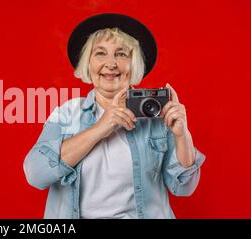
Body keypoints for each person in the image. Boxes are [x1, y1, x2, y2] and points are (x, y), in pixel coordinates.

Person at [23, 13, 206, 219]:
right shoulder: (66, 113)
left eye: (121, 54)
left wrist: (182, 135)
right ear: (88, 64)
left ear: (133, 64)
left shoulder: (155, 118)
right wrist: (100, 128)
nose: (111, 64)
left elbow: (184, 188)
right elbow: (35, 174)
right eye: (100, 53)